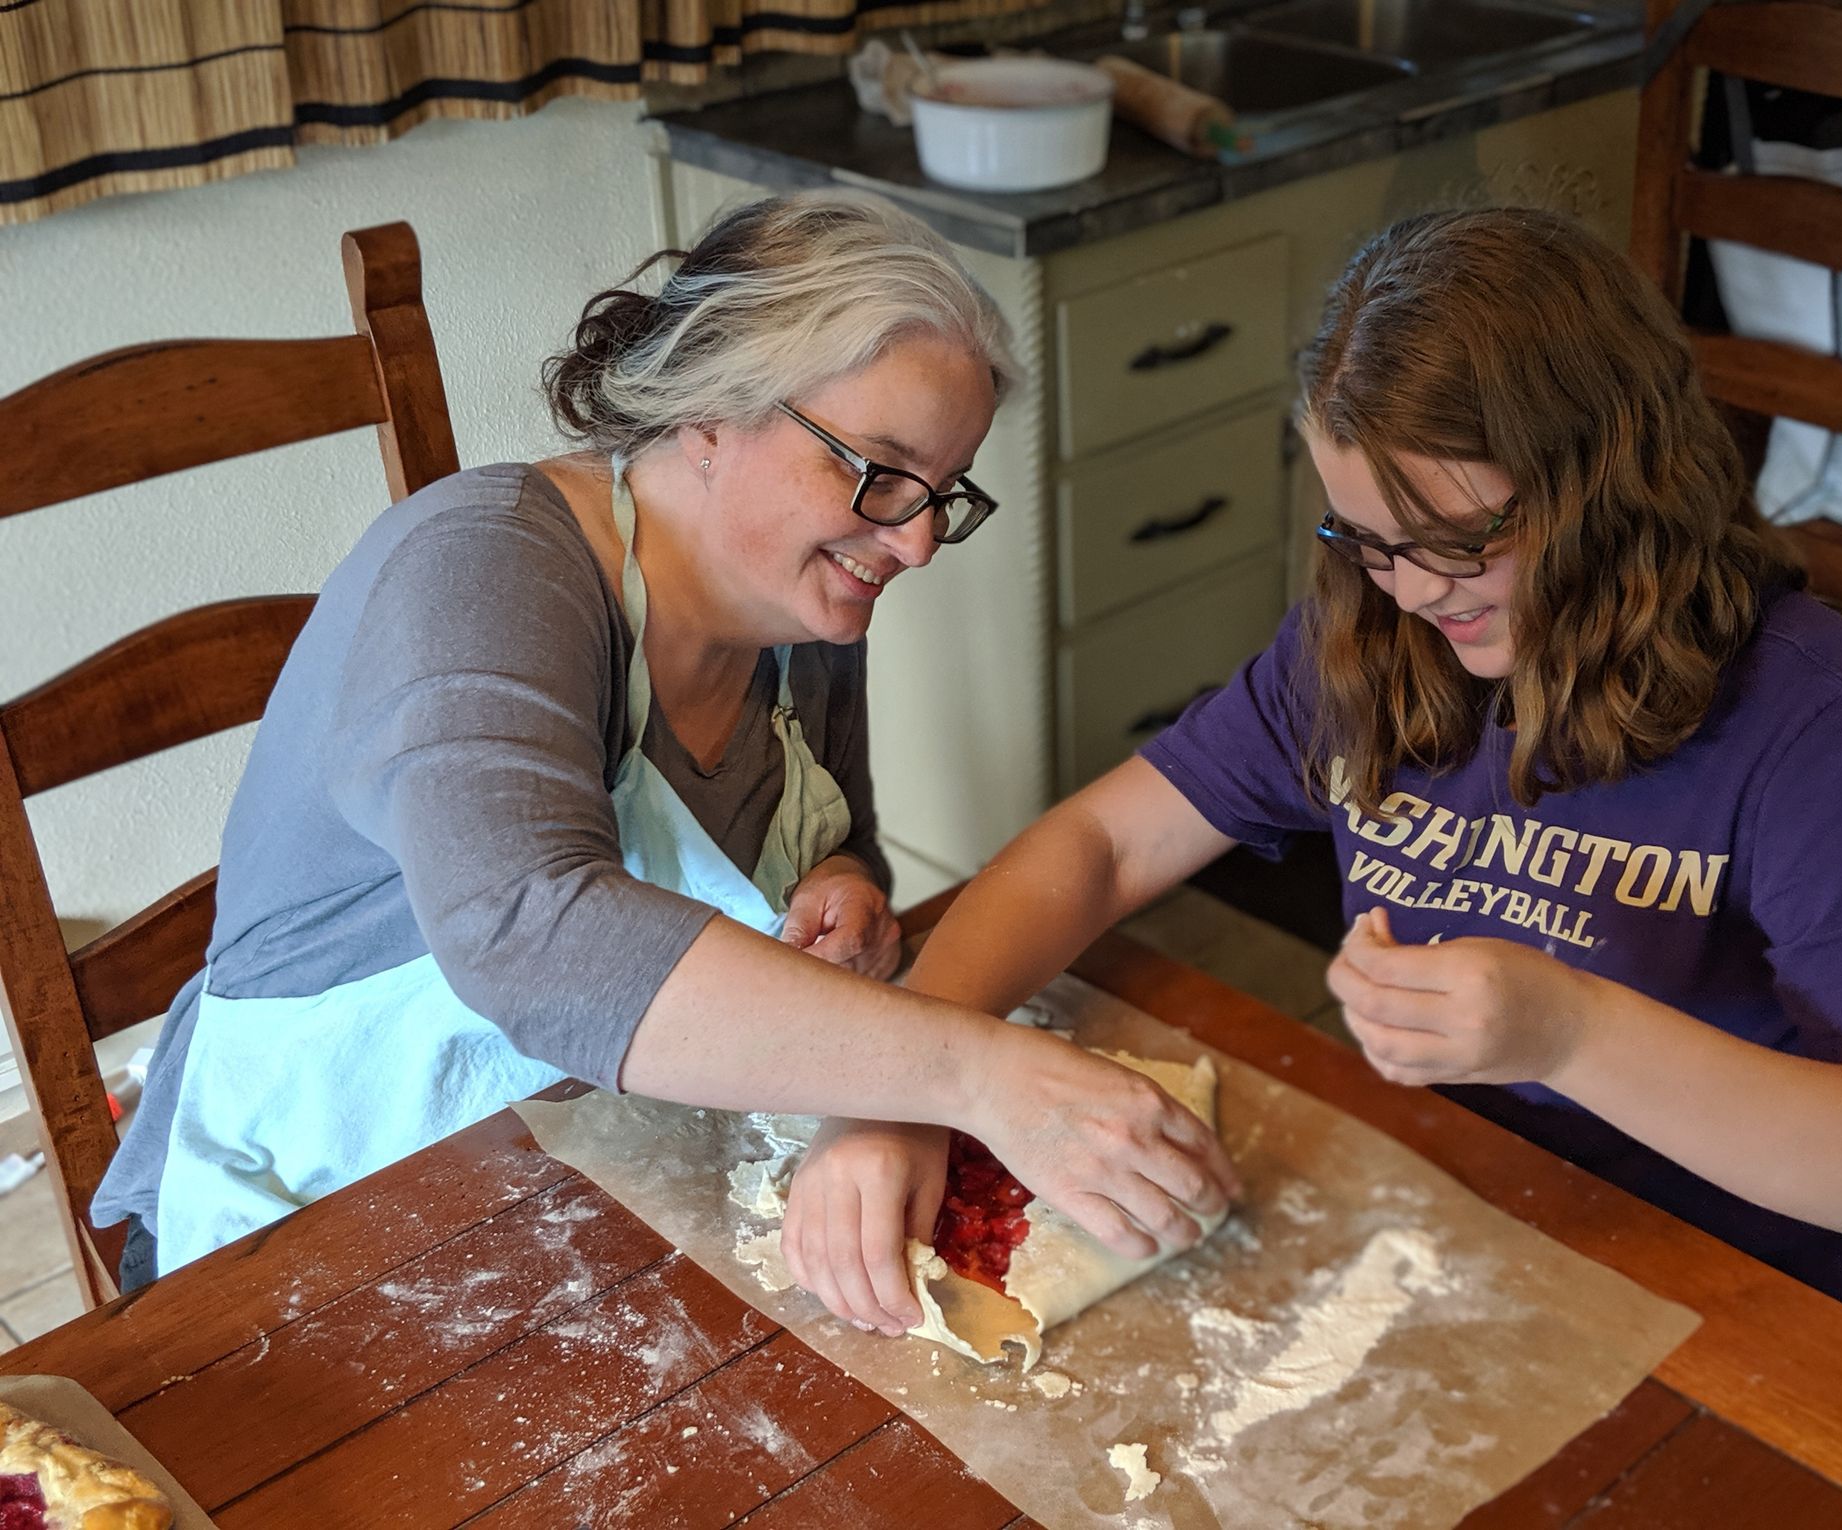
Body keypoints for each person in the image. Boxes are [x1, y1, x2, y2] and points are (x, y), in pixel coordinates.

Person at [783, 206, 1842, 1327]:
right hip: (1448, 1205)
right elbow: (1098, 847)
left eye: (1462, 543)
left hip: (1722, 1279)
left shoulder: (1816, 719)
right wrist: (913, 1086)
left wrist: (1568, 1034)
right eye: (1367, 540)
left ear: (1615, 489)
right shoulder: (1376, 641)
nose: (1413, 590)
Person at [94, 190, 1236, 1291]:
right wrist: (980, 1077)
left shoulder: (804, 614)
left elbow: (846, 848)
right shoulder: (483, 569)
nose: (921, 541)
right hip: (308, 1217)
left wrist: (845, 889)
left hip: (582, 1166)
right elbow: (530, 935)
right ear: (707, 411)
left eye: (944, 492)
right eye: (883, 473)